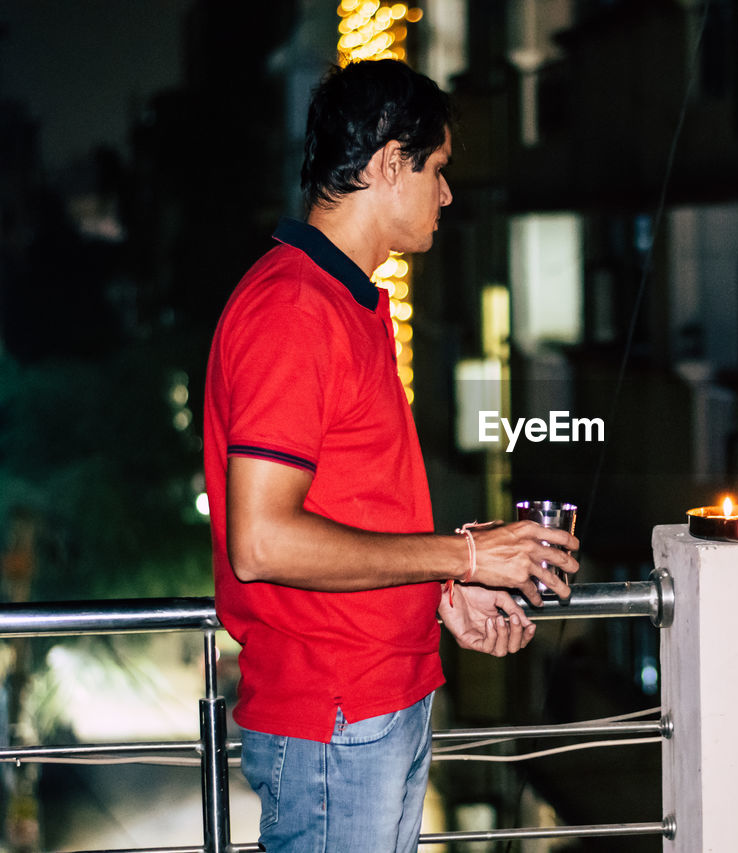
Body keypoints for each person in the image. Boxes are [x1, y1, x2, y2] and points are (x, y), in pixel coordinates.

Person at [203, 59, 579, 853]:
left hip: (371, 701)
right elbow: (262, 541)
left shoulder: (347, 302)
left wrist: (445, 582)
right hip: (335, 714)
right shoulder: (295, 311)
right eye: (437, 169)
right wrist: (466, 551)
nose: (447, 194)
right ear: (387, 164)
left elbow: (351, 512)